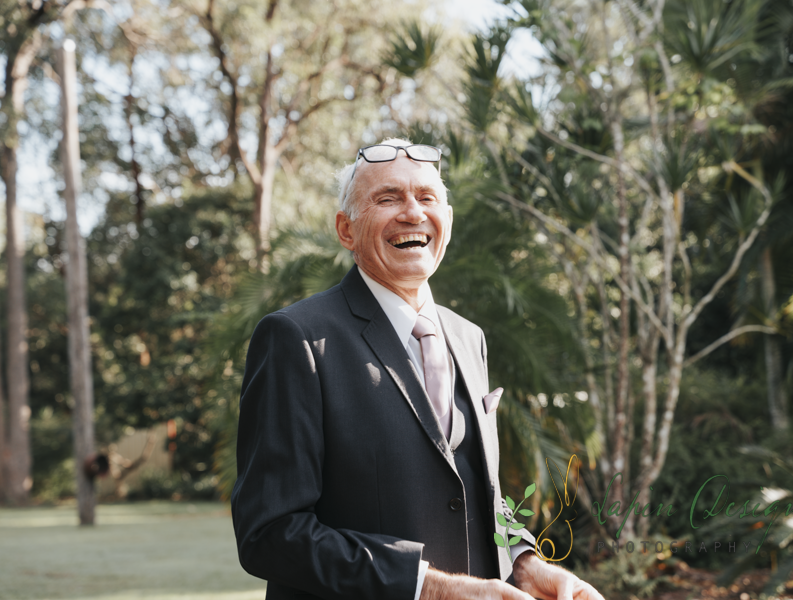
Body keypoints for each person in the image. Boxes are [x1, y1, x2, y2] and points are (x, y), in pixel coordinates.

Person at [232, 138, 604, 600]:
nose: (413, 213)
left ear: (447, 220)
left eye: (427, 197)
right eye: (388, 198)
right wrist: (429, 587)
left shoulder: (469, 337)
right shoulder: (296, 338)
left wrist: (525, 564)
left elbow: (470, 493)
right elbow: (269, 532)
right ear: (346, 230)